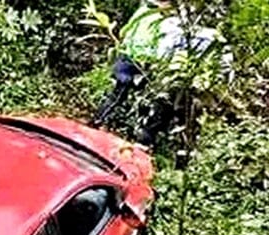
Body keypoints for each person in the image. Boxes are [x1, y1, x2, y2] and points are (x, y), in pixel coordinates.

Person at [91, 1, 230, 145]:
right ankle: (112, 127)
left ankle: (101, 123)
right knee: (133, 98)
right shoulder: (162, 20)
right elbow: (162, 47)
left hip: (131, 58)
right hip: (138, 61)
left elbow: (127, 31)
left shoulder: (144, 11)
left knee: (120, 96)